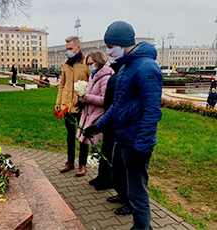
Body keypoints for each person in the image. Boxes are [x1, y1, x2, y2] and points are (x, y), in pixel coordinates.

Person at [84, 21, 162, 230]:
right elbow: (118, 105)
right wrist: (99, 126)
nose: (108, 51)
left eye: (110, 46)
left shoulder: (147, 67)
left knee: (137, 191)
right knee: (120, 178)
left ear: (122, 43)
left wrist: (142, 145)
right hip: (123, 136)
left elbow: (152, 112)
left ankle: (141, 227)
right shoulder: (127, 66)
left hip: (137, 141)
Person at [55, 36, 90, 175]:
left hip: (81, 105)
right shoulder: (66, 63)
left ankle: (82, 164)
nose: (68, 51)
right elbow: (62, 84)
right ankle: (70, 162)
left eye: (70, 48)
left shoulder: (86, 63)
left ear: (78, 47)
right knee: (70, 135)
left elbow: (92, 83)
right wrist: (59, 102)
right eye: (67, 49)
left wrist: (87, 98)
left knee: (83, 135)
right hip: (66, 106)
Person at [76, 51, 114, 177]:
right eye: (88, 64)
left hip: (96, 115)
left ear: (99, 61)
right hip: (87, 112)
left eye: (91, 63)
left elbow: (105, 100)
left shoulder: (106, 77)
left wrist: (87, 98)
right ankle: (82, 165)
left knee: (94, 143)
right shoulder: (94, 75)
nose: (89, 66)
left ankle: (101, 174)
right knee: (83, 139)